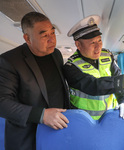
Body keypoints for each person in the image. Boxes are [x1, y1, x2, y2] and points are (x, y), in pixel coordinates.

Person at [0, 12, 71, 150]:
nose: (52, 40)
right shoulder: (9, 61)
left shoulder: (56, 54)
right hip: (27, 139)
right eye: (44, 35)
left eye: (53, 33)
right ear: (27, 38)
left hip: (56, 133)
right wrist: (41, 115)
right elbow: (1, 102)